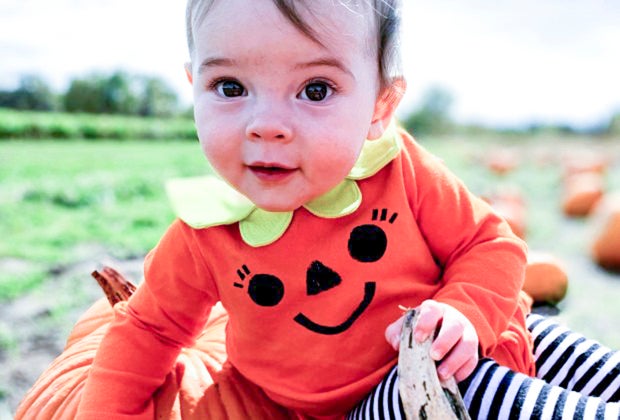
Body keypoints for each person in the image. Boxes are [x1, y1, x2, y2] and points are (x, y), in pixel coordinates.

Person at [76, 0, 620, 418]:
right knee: (462, 385)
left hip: (493, 326)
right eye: (231, 86)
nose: (267, 124)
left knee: (592, 366)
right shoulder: (205, 233)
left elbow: (489, 242)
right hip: (382, 400)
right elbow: (147, 330)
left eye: (315, 89)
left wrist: (467, 312)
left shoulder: (398, 168)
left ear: (379, 107)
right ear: (194, 88)